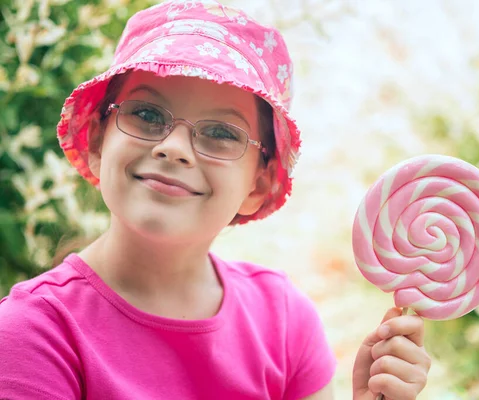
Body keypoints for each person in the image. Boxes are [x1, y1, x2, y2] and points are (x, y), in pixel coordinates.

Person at [0, 1, 431, 399]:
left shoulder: (283, 321)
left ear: (258, 184)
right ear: (97, 140)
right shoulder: (33, 333)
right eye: (146, 114)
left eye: (222, 133)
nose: (175, 148)